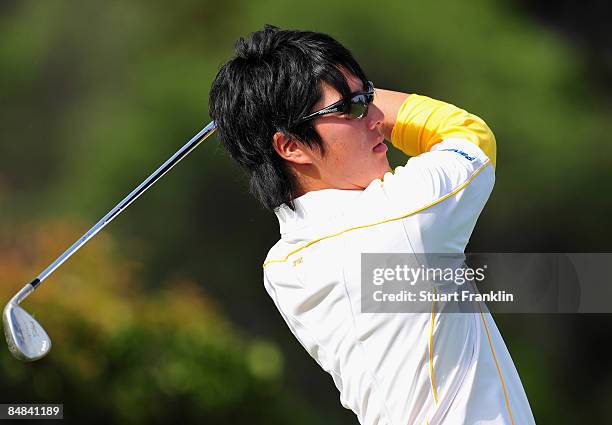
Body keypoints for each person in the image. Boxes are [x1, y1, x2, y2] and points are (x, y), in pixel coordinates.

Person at [209, 24, 536, 425]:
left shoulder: (283, 263)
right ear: (290, 145)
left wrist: (314, 92)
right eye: (350, 107)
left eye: (368, 97)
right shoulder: (402, 219)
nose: (377, 117)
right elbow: (469, 135)